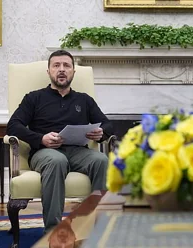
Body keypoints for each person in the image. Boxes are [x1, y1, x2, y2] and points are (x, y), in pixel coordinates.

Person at [6, 50, 114, 233]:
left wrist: (101, 133)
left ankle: (99, 227)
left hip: (78, 151)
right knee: (57, 161)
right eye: (56, 66)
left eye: (66, 66)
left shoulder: (84, 100)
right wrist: (41, 138)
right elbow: (13, 126)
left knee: (101, 160)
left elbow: (108, 124)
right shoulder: (34, 97)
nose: (62, 70)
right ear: (49, 71)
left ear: (73, 71)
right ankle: (54, 230)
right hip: (44, 152)